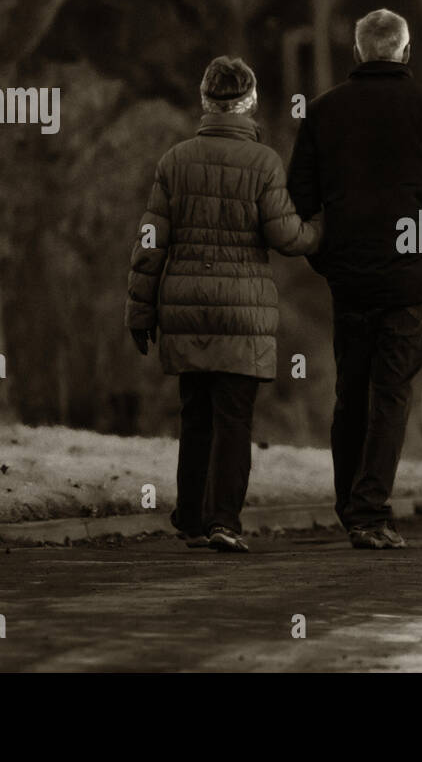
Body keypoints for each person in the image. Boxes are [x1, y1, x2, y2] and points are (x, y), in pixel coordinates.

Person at [288, 8, 422, 549]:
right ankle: (369, 510)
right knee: (391, 390)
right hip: (413, 276)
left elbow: (299, 199)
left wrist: (324, 259)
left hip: (349, 275)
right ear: (405, 51)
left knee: (351, 390)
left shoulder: (324, 112)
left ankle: (352, 506)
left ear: (357, 51)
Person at [125, 56, 322, 553]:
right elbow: (284, 236)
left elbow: (151, 241)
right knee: (234, 418)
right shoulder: (264, 164)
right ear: (250, 102)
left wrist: (139, 309)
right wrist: (319, 231)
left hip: (186, 307)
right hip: (243, 310)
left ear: (205, 102)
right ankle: (225, 522)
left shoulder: (174, 161)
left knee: (195, 414)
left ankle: (190, 517)